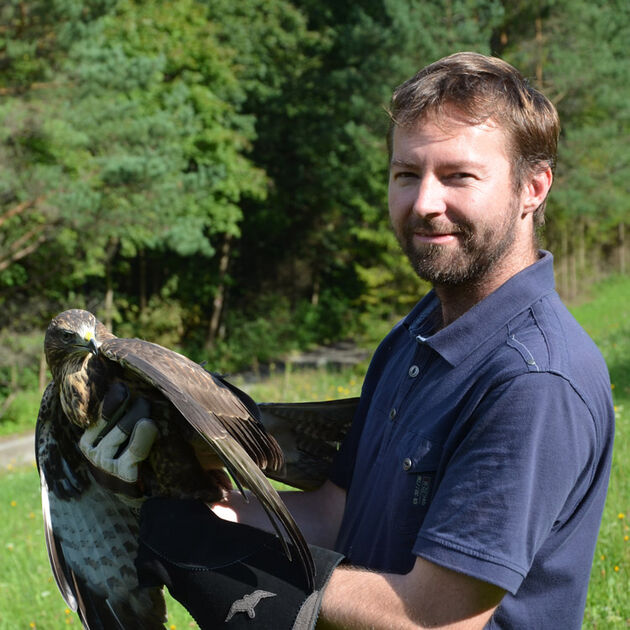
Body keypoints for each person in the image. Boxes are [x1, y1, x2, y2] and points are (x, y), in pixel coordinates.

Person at [84, 52, 615, 629]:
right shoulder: (419, 334)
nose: (425, 203)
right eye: (406, 174)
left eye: (458, 176)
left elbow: (434, 619)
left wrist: (229, 557)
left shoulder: (532, 381)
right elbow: (337, 513)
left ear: (532, 188)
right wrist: (178, 505)